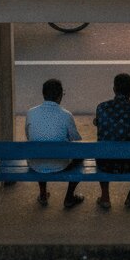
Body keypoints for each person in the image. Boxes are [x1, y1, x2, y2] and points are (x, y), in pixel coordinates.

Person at [93, 72, 130, 211]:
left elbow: (100, 129)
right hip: (129, 164)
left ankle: (105, 197)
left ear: (114, 89)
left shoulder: (101, 107)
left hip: (105, 163)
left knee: (102, 149)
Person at [25, 78, 85, 210]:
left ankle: (43, 194)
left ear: (43, 94)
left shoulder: (31, 113)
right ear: (59, 96)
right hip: (60, 164)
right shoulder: (66, 115)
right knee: (81, 156)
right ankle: (69, 197)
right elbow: (77, 141)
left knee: (39, 149)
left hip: (36, 163)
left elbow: (29, 136)